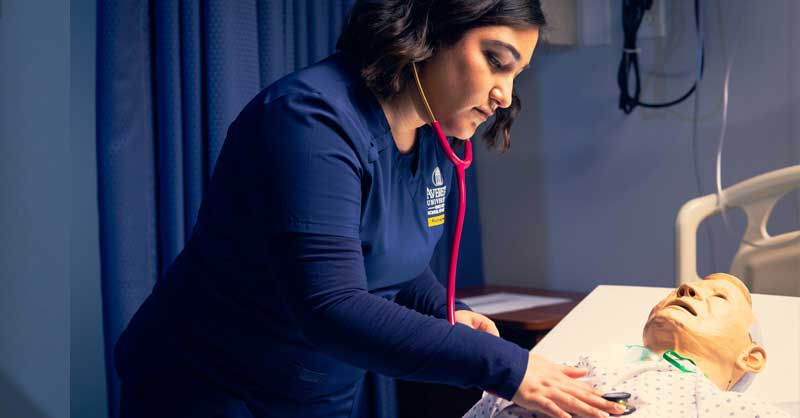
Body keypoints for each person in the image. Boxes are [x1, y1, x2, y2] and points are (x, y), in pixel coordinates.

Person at [114, 1, 625, 417]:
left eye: (517, 74)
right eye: (495, 60)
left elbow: (391, 257)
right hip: (211, 382)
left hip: (315, 388)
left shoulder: (434, 134)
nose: (503, 96)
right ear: (428, 30)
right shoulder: (310, 122)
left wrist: (447, 313)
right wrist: (507, 367)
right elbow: (331, 305)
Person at [462, 273, 795, 418]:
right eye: (684, 287)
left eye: (719, 297)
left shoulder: (716, 404)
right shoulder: (566, 367)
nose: (686, 289)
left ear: (750, 358)